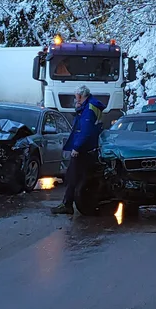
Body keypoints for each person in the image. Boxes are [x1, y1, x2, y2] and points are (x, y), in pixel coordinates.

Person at [52, 86, 106, 215]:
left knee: (73, 176)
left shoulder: (89, 109)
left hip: (84, 149)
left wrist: (77, 147)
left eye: (76, 97)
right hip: (91, 148)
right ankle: (78, 203)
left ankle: (67, 205)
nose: (75, 99)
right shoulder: (92, 106)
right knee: (82, 176)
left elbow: (85, 131)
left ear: (81, 96)